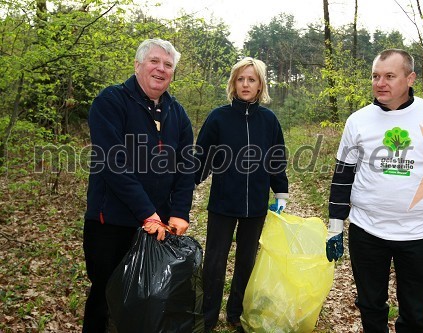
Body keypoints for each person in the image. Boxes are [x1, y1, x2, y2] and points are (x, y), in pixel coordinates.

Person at [326, 49, 423, 332]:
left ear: (410, 78)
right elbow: (343, 175)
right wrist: (334, 225)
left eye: (390, 76)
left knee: (416, 315)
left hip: (416, 233)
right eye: (376, 76)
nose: (380, 83)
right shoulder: (358, 120)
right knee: (370, 307)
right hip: (366, 232)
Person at [83, 38, 195, 332]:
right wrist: (147, 211)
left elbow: (186, 167)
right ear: (137, 65)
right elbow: (112, 162)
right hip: (110, 223)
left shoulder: (178, 114)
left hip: (158, 228)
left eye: (168, 65)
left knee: (147, 299)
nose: (161, 69)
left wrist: (180, 211)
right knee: (105, 298)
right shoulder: (111, 101)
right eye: (154, 61)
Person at [195, 57, 289, 332]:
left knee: (246, 261)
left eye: (252, 80)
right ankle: (208, 317)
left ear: (260, 86)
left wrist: (280, 192)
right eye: (241, 79)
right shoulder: (218, 117)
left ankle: (235, 313)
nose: (246, 84)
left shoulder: (269, 120)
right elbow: (201, 158)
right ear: (233, 84)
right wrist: (187, 184)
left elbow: (276, 159)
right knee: (214, 261)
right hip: (223, 203)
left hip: (256, 206)